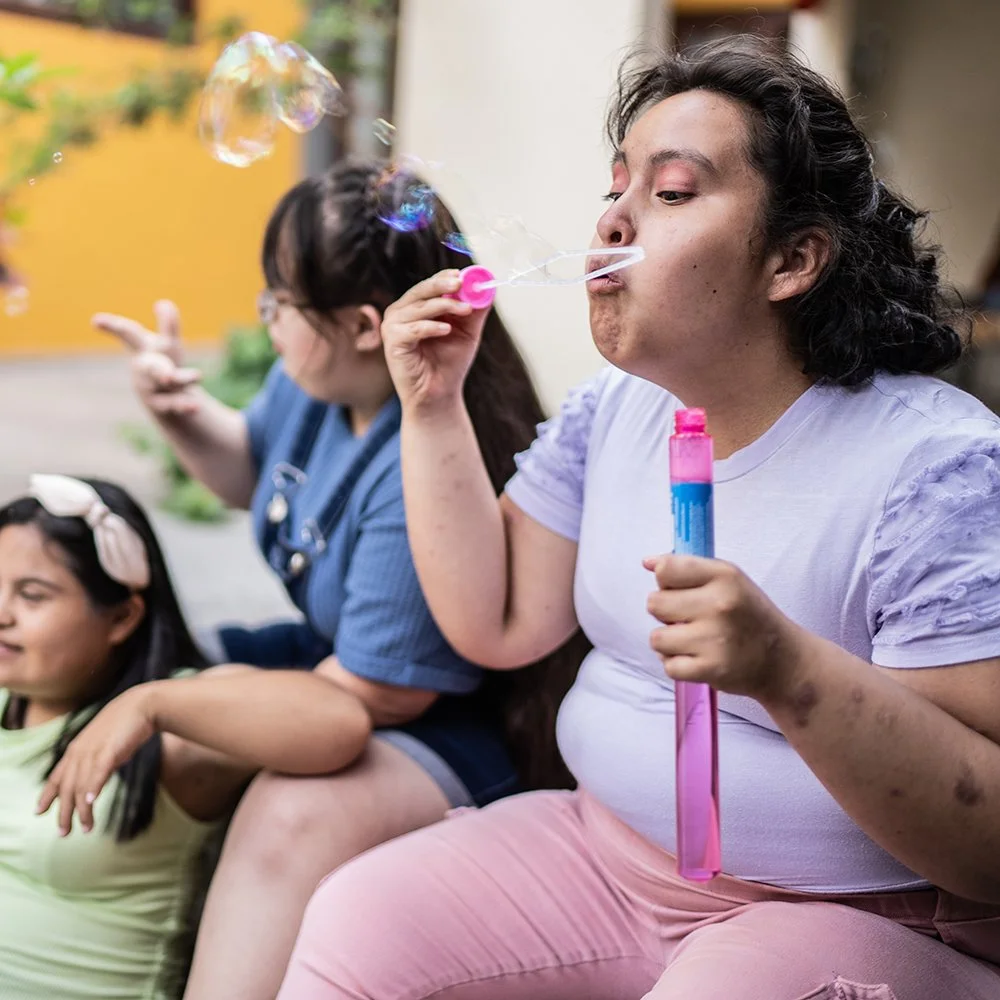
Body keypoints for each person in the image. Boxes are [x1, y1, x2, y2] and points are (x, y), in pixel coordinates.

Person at [275, 38, 1000, 1000]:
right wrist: (433, 406)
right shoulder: (619, 409)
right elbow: (496, 622)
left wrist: (789, 670)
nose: (612, 219)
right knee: (354, 921)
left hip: (848, 912)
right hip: (605, 855)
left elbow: (985, 841)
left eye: (669, 192)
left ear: (793, 258)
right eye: (615, 188)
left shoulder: (934, 467)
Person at [96, 160, 586, 1000]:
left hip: (448, 720)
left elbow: (379, 697)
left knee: (266, 798)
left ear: (363, 326)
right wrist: (178, 410)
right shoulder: (315, 386)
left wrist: (210, 712)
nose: (267, 321)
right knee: (131, 659)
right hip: (336, 661)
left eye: (279, 304)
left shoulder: (417, 465)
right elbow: (257, 472)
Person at [0, 474, 370, 1000]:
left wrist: (150, 705)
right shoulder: (9, 693)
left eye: (32, 596)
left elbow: (340, 722)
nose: (2, 614)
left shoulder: (170, 725)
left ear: (123, 616)